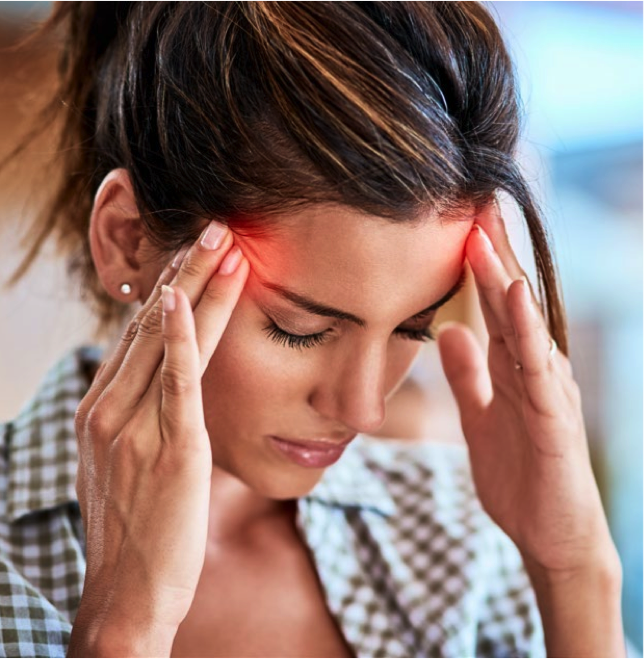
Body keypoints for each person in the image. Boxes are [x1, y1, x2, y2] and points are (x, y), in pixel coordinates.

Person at [0, 1, 629, 657]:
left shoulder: (457, 542)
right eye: (297, 328)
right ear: (128, 240)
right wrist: (124, 630)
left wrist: (576, 572)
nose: (363, 409)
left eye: (412, 328)